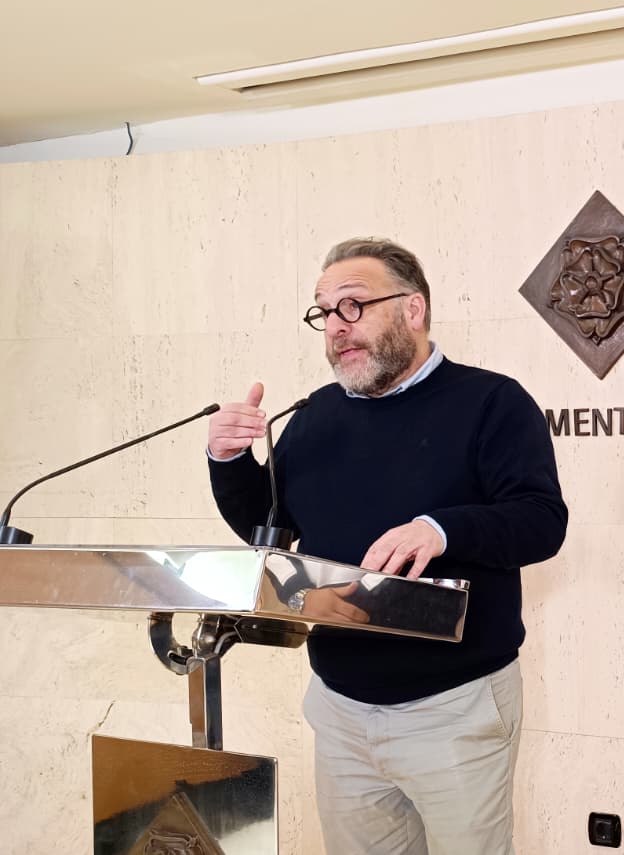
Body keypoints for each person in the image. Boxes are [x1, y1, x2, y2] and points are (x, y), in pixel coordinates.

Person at [205, 237, 567, 855]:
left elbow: (541, 521)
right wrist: (228, 459)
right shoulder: (315, 415)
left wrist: (441, 529)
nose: (335, 327)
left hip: (453, 708)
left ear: (413, 309)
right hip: (340, 708)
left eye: (353, 306)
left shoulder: (491, 402)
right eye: (324, 312)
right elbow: (270, 528)